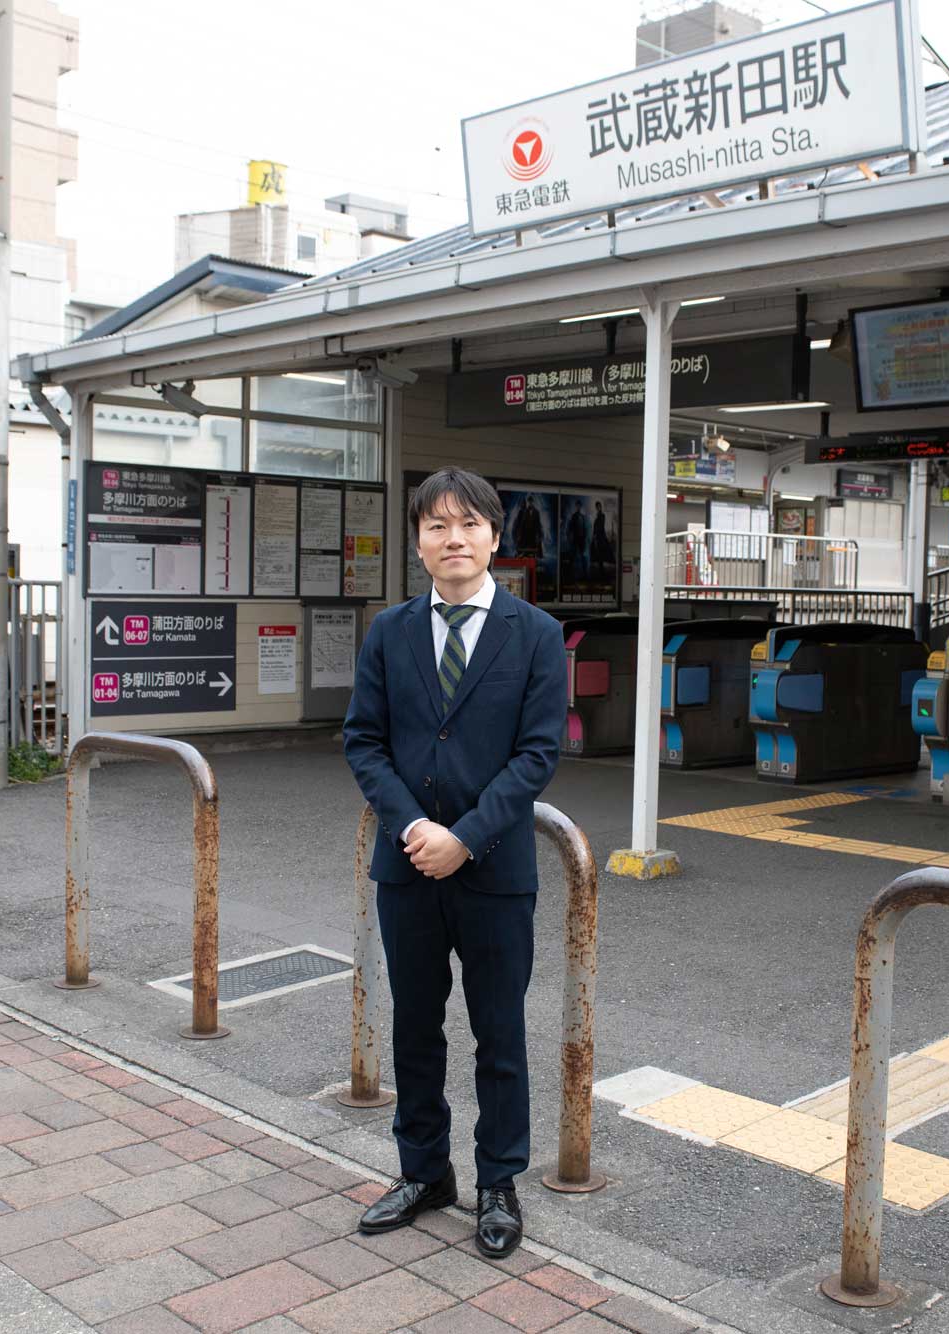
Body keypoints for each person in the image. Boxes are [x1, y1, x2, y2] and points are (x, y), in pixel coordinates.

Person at [341, 466, 567, 1259]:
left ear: (495, 538)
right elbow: (363, 740)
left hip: (496, 870)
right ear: (418, 542)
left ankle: (498, 1184)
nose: (454, 539)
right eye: (436, 526)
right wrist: (414, 829)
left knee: (499, 1032)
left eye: (469, 524)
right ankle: (423, 1172)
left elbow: (538, 755)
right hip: (408, 868)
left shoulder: (534, 634)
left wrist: (464, 836)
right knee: (414, 1026)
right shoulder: (390, 632)